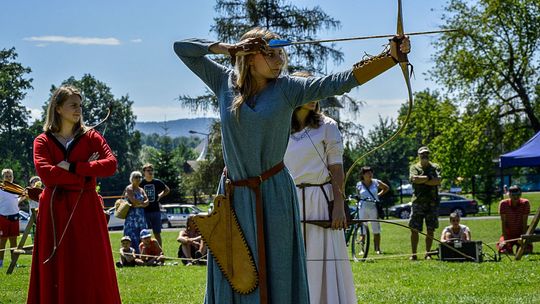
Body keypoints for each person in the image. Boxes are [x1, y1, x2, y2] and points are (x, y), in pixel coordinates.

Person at [174, 27, 410, 302]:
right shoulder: (223, 82)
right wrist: (226, 48)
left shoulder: (287, 88)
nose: (279, 61)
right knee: (234, 270)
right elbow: (182, 48)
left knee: (278, 270)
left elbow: (338, 82)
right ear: (250, 57)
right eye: (270, 54)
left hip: (273, 194)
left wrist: (389, 58)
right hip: (232, 196)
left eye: (281, 54)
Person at [27, 85, 121, 303]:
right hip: (55, 210)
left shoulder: (91, 136)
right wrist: (86, 176)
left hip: (87, 209)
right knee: (57, 264)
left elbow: (110, 165)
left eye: (80, 105)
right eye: (73, 105)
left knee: (89, 264)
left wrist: (73, 167)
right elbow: (47, 175)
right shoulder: (42, 141)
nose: (78, 110)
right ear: (58, 108)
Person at [283, 79, 357, 304]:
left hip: (320, 200)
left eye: (315, 91)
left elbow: (336, 167)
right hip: (289, 199)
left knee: (320, 257)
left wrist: (338, 206)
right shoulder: (280, 126)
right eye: (307, 92)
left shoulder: (327, 126)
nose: (314, 96)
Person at [409, 146, 441, 260]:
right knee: (414, 229)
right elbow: (414, 179)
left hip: (432, 203)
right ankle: (414, 254)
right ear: (418, 155)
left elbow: (437, 181)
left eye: (426, 154)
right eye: (422, 154)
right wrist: (428, 178)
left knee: (430, 229)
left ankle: (428, 253)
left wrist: (422, 180)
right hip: (417, 203)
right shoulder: (414, 167)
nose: (424, 156)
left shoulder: (435, 167)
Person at [356, 166, 389, 255]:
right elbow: (358, 196)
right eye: (367, 173)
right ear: (363, 175)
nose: (370, 174)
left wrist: (377, 196)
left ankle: (377, 249)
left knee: (376, 229)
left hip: (373, 207)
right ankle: (362, 249)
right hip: (363, 208)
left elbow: (386, 188)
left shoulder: (376, 182)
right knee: (362, 229)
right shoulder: (359, 184)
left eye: (371, 172)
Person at [0, 169, 26, 268]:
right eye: (6, 176)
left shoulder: (16, 189)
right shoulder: (1, 189)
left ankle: (14, 263)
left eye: (10, 176)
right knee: (2, 242)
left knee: (14, 242)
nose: (8, 178)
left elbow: (16, 202)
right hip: (3, 218)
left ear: (13, 177)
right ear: (3, 178)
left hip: (15, 217)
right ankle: (0, 263)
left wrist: (22, 198)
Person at [140, 163, 170, 248]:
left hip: (156, 211)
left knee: (157, 233)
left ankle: (160, 252)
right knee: (143, 233)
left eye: (151, 170)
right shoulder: (141, 183)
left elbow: (167, 190)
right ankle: (144, 252)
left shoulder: (157, 182)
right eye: (148, 170)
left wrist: (160, 196)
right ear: (144, 172)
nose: (150, 172)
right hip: (144, 212)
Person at [497, 185, 532, 254]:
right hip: (508, 234)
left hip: (521, 233)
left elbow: (524, 222)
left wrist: (523, 237)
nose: (516, 197)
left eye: (518, 195)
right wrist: (505, 240)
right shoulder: (503, 204)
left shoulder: (525, 203)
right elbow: (503, 223)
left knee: (526, 251)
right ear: (509, 194)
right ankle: (507, 248)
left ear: (521, 194)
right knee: (503, 251)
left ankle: (522, 247)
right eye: (513, 195)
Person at [123, 170, 149, 254]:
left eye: (139, 177)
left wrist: (140, 204)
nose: (138, 179)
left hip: (140, 216)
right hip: (132, 216)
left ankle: (142, 253)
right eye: (136, 177)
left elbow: (147, 201)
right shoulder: (129, 188)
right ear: (132, 178)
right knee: (131, 234)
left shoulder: (141, 189)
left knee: (141, 233)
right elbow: (133, 200)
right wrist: (142, 203)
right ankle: (131, 253)